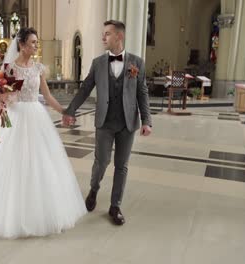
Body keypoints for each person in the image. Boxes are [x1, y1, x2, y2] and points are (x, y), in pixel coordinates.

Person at [0, 27, 86, 239]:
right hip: (16, 117)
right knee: (14, 162)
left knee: (41, 161)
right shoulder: (9, 68)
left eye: (37, 42)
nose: (36, 46)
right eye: (33, 42)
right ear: (21, 45)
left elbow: (46, 95)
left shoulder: (38, 68)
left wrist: (65, 111)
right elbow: (1, 95)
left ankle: (40, 208)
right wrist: (0, 99)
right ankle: (10, 211)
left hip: (36, 116)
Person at [62, 20, 152, 225]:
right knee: (101, 162)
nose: (103, 37)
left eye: (107, 34)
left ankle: (115, 206)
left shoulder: (136, 63)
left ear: (119, 36)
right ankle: (94, 189)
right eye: (103, 34)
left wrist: (147, 120)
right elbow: (85, 88)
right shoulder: (98, 63)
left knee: (122, 166)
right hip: (104, 122)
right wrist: (70, 110)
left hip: (128, 123)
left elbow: (142, 92)